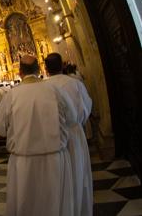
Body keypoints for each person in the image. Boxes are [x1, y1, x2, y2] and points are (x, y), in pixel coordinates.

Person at [0, 55, 77, 216]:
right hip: (55, 159)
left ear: (19, 72)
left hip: (23, 163)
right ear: (39, 70)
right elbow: (72, 118)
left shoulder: (11, 95)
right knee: (56, 204)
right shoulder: (54, 90)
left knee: (26, 205)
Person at [45, 52, 93, 216]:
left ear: (46, 69)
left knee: (60, 179)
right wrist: (79, 123)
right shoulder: (75, 84)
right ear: (62, 66)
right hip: (74, 132)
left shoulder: (43, 87)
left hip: (54, 136)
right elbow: (87, 106)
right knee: (79, 174)